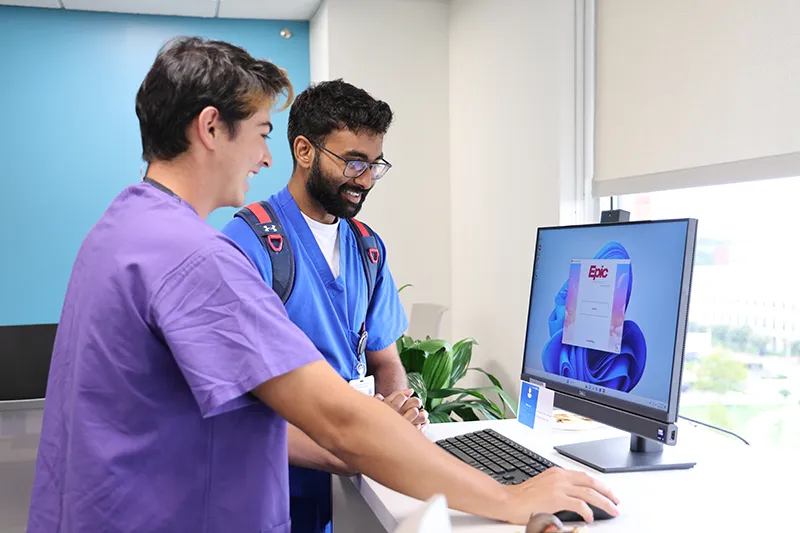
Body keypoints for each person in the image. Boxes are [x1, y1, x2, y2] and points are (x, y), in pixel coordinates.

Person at [26, 36, 619, 533]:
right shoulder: (199, 257)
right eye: (260, 132)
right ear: (211, 128)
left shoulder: (120, 230)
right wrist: (508, 497)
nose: (264, 156)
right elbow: (338, 421)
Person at [221, 79, 422, 533]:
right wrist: (358, 445)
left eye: (375, 165)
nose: (366, 180)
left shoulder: (368, 248)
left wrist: (397, 412)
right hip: (273, 490)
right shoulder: (249, 243)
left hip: (355, 488)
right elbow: (236, 403)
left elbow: (385, 361)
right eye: (353, 162)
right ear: (305, 151)